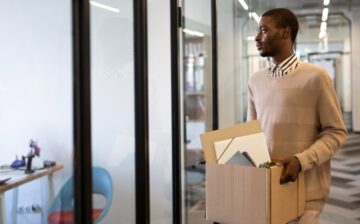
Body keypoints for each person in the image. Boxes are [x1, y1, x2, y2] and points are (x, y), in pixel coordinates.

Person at [247, 8, 347, 224]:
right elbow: (252, 134)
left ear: (285, 33)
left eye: (263, 30)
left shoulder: (316, 78)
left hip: (306, 192)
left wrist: (301, 161)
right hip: (267, 187)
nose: (257, 37)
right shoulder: (255, 81)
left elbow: (336, 132)